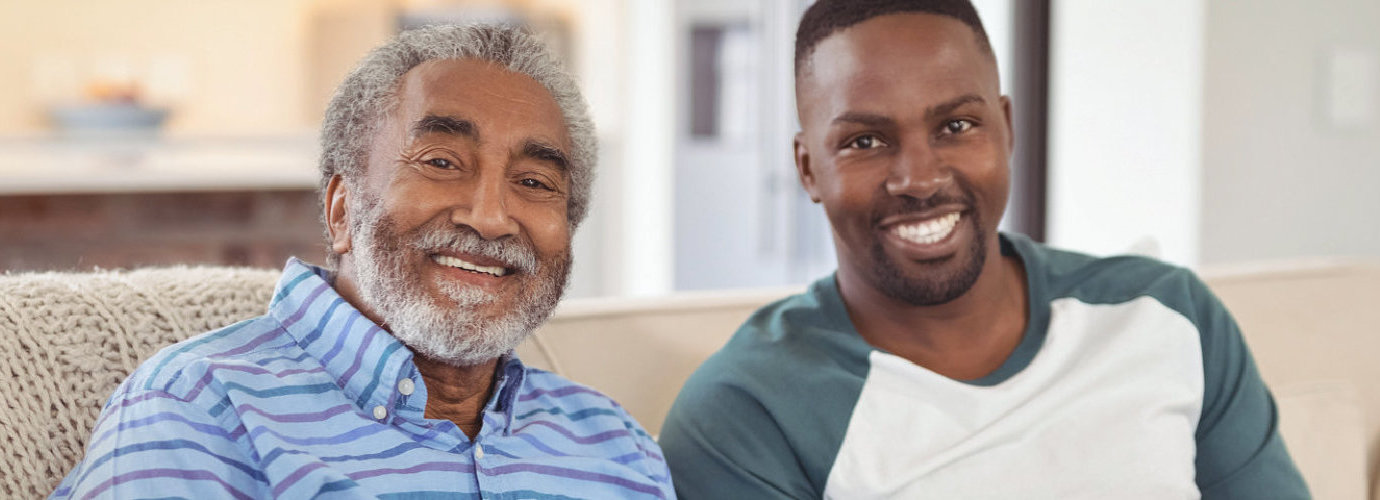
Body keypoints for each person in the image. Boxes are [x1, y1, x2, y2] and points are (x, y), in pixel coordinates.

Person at [659, 0, 1309, 498]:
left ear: (1006, 128)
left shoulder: (1170, 312)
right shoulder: (745, 412)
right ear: (807, 169)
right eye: (865, 141)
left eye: (957, 126)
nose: (919, 178)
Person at [53, 24, 673, 499]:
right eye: (440, 162)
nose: (490, 217)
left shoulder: (617, 446)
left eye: (536, 182)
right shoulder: (198, 407)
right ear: (342, 209)